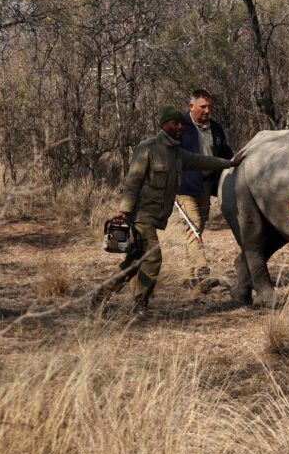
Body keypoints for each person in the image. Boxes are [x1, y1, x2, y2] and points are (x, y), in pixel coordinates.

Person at [93, 106, 244, 315]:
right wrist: (124, 211)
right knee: (153, 258)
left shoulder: (178, 153)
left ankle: (101, 295)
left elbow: (203, 161)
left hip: (155, 217)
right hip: (140, 215)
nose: (180, 127)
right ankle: (139, 306)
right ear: (164, 125)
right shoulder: (147, 148)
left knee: (136, 260)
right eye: (175, 123)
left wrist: (229, 162)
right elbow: (132, 182)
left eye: (181, 123)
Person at [176, 89, 234, 290]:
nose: (207, 110)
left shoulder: (216, 128)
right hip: (184, 187)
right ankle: (202, 271)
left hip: (206, 185)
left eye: (209, 106)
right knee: (193, 228)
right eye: (203, 107)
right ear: (191, 107)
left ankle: (189, 277)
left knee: (196, 229)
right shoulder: (180, 127)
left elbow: (226, 153)